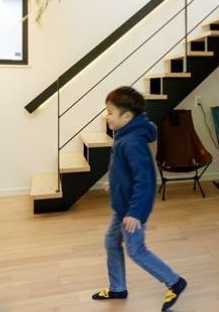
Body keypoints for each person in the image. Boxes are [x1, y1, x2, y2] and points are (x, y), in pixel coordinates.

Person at [92, 86, 187, 311]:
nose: (106, 116)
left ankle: (174, 281)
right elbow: (125, 171)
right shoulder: (125, 135)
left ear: (126, 117)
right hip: (122, 207)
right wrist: (114, 182)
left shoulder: (133, 142)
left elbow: (145, 181)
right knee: (111, 242)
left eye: (110, 112)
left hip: (132, 211)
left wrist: (135, 212)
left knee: (136, 250)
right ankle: (118, 288)